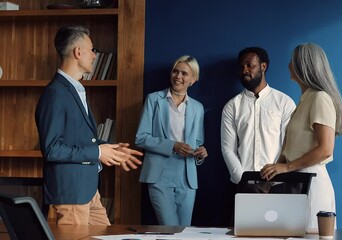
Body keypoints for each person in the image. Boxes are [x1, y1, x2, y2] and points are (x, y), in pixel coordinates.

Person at [35, 25, 143, 225]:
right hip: (71, 194)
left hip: (88, 190)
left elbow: (81, 139)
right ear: (78, 52)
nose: (95, 56)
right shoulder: (56, 94)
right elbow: (52, 150)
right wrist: (98, 153)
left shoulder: (75, 90)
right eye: (92, 50)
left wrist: (110, 149)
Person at [260, 43, 342, 232]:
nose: (289, 65)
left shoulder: (320, 98)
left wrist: (286, 167)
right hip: (296, 182)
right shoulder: (305, 99)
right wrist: (274, 174)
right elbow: (290, 147)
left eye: (292, 61)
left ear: (302, 66)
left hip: (312, 184)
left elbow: (325, 149)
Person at [135, 55, 208, 226]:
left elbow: (198, 142)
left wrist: (201, 153)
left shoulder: (198, 107)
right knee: (170, 229)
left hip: (187, 176)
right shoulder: (153, 100)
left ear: (193, 79)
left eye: (184, 73)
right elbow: (141, 138)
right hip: (159, 174)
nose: (178, 77)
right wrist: (173, 146)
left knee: (184, 231)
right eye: (175, 71)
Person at [221, 47, 296, 185]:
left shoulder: (284, 102)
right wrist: (243, 180)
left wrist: (273, 178)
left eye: (250, 65)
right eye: (241, 66)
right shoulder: (232, 106)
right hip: (243, 185)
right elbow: (228, 148)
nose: (244, 70)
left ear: (263, 66)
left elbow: (289, 145)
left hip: (278, 184)